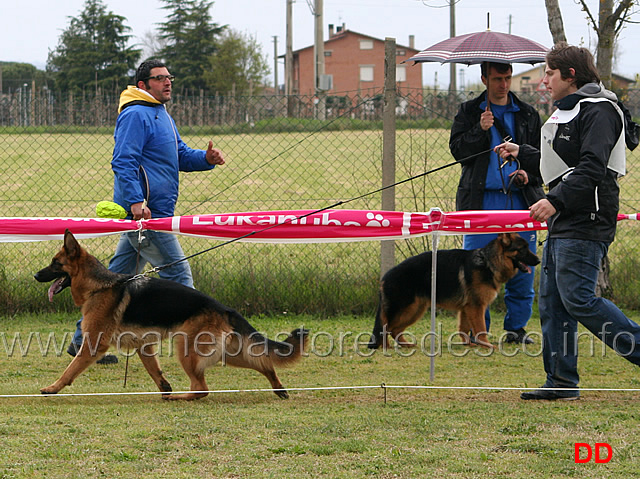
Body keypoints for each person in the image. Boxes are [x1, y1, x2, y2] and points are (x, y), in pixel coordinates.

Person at [495, 42, 640, 400]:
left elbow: (592, 165)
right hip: (566, 217)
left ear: (570, 75)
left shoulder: (600, 110)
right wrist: (522, 152)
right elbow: (562, 160)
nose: (543, 80)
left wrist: (553, 201)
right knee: (553, 302)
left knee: (578, 299)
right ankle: (561, 381)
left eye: (549, 73)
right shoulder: (571, 110)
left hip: (587, 217)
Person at [68, 59, 226, 363]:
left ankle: (81, 342)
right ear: (143, 85)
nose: (167, 83)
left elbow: (178, 154)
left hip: (155, 214)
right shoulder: (135, 115)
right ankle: (205, 345)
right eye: (160, 79)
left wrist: (205, 158)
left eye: (169, 78)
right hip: (145, 217)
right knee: (181, 277)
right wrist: (136, 201)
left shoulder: (160, 113)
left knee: (113, 280)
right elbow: (123, 161)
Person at [449, 61, 543, 344]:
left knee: (524, 268)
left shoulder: (527, 114)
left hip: (521, 201)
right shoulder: (468, 111)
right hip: (481, 202)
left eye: (508, 78)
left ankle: (516, 329)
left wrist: (528, 173)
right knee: (477, 268)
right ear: (484, 79)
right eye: (498, 79)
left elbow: (541, 157)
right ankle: (480, 331)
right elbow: (458, 152)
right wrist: (480, 130)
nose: (504, 84)